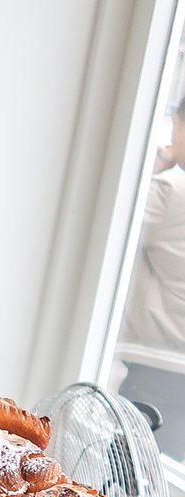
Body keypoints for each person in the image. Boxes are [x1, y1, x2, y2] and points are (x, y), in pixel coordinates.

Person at [116, 95, 185, 457]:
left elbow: (111, 222)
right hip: (178, 372)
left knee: (131, 472)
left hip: (156, 367)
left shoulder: (171, 192)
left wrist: (155, 166)